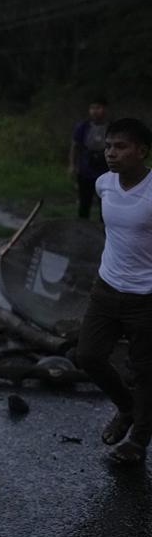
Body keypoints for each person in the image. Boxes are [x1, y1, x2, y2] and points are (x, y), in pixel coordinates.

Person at [74, 118, 152, 465]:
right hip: (106, 286)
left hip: (146, 295)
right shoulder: (104, 184)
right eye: (108, 146)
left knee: (145, 371)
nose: (111, 153)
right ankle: (126, 407)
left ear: (142, 151)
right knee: (88, 356)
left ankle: (138, 442)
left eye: (120, 147)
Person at [69, 97, 110, 220]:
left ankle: (104, 232)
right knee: (84, 204)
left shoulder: (112, 127)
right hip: (86, 170)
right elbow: (75, 146)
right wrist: (72, 165)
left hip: (105, 172)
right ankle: (82, 230)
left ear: (105, 110)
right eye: (92, 108)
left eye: (98, 108)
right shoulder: (83, 126)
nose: (94, 111)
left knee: (106, 206)